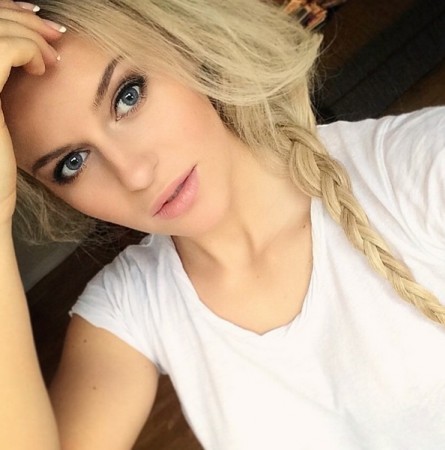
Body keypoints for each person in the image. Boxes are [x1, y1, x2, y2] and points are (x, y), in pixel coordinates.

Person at [0, 0, 444, 448]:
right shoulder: (129, 309)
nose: (134, 174)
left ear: (186, 47)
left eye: (128, 96)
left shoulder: (415, 169)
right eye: (73, 163)